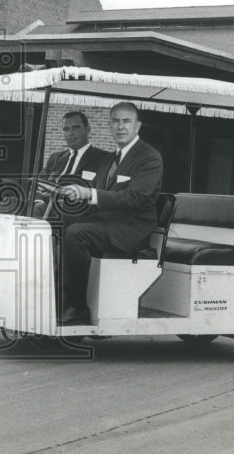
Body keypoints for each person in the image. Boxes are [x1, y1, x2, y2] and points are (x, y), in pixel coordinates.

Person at [56, 101, 164, 325]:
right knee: (57, 222)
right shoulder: (111, 158)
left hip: (130, 229)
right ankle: (56, 294)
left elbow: (137, 198)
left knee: (76, 234)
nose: (120, 127)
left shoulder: (149, 157)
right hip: (106, 222)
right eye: (115, 121)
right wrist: (73, 195)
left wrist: (90, 194)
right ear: (109, 125)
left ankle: (76, 308)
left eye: (126, 121)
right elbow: (96, 192)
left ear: (138, 126)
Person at [32, 111, 109, 218]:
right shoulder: (56, 158)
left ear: (87, 130)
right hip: (45, 206)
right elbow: (39, 183)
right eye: (66, 129)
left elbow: (103, 192)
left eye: (76, 128)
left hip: (77, 212)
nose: (70, 133)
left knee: (37, 211)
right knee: (9, 202)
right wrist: (39, 201)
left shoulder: (103, 158)